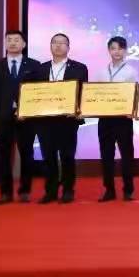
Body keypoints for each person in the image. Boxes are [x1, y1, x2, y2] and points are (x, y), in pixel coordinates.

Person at [0, 30, 41, 204]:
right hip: (3, 118)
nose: (12, 43)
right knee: (3, 155)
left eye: (16, 40)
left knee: (27, 154)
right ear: (5, 44)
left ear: (23, 44)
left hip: (26, 117)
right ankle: (5, 193)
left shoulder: (34, 65)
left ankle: (25, 191)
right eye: (9, 40)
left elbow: (38, 92)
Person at [35, 33, 88, 204]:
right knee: (48, 156)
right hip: (45, 120)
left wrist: (79, 109)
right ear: (50, 46)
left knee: (67, 156)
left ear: (68, 47)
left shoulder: (79, 68)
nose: (58, 46)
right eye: (54, 43)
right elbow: (33, 94)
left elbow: (83, 93)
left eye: (62, 43)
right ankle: (50, 191)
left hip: (68, 120)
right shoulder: (40, 69)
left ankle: (68, 190)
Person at [94, 36, 138, 202]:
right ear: (109, 51)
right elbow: (95, 94)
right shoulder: (101, 72)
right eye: (113, 48)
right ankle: (109, 190)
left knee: (127, 155)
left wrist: (132, 110)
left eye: (120, 48)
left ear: (125, 51)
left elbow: (135, 94)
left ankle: (128, 190)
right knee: (106, 155)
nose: (117, 52)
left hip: (123, 119)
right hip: (105, 119)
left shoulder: (131, 71)